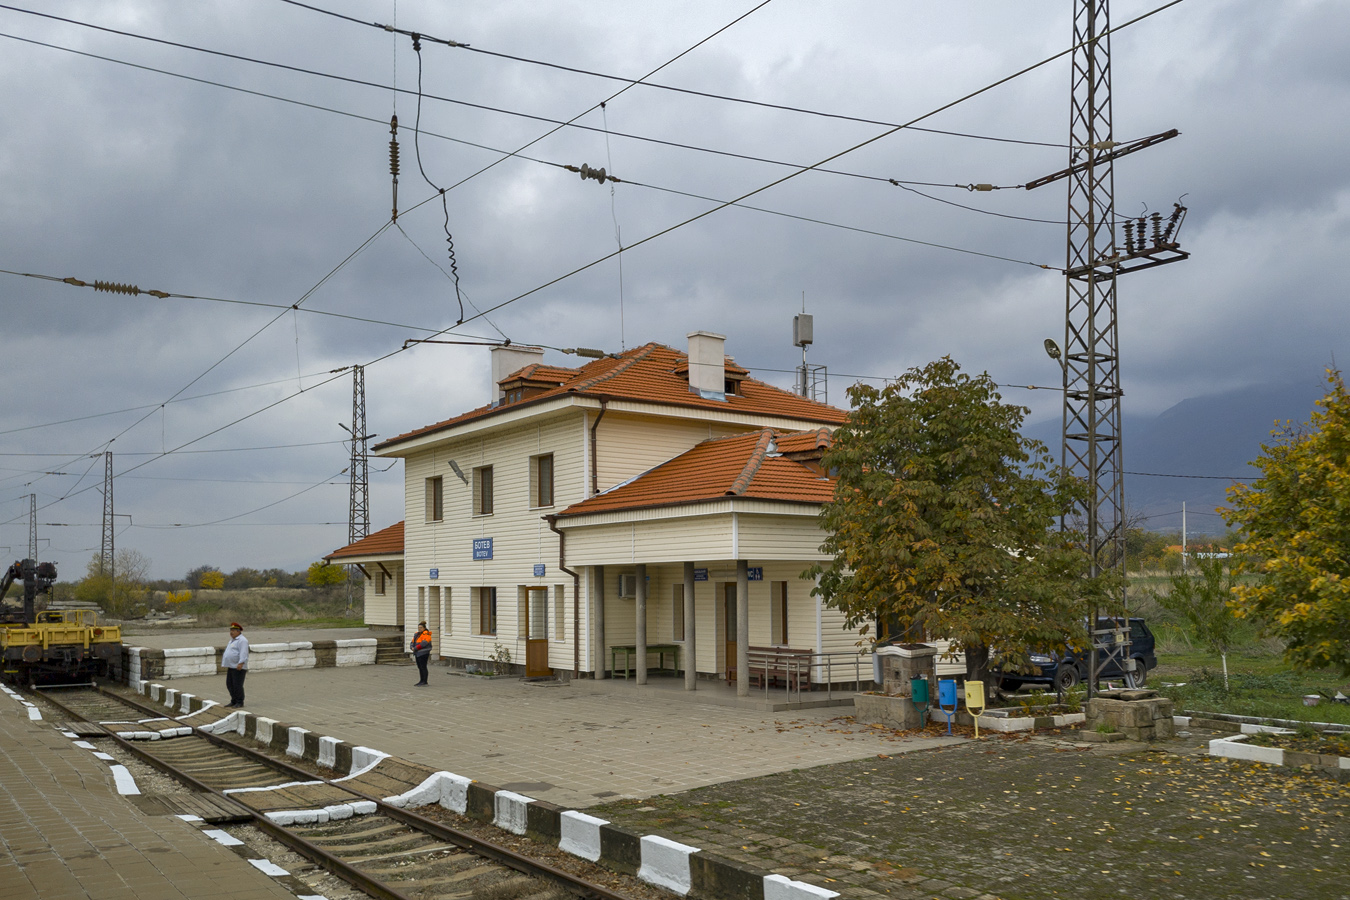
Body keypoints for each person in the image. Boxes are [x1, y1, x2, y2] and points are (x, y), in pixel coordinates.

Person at [222, 622, 250, 708]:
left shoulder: (242, 640)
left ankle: (239, 701)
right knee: (230, 684)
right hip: (231, 666)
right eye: (231, 630)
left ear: (238, 631)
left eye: (233, 630)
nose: (231, 632)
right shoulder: (232, 640)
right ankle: (233, 700)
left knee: (237, 685)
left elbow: (244, 653)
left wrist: (241, 663)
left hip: (238, 666)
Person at [411, 620, 432, 686]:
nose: (419, 629)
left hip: (423, 653)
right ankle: (421, 680)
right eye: (419, 627)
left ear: (424, 628)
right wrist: (411, 647)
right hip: (417, 653)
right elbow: (412, 642)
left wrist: (415, 648)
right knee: (420, 667)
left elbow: (424, 643)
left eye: (421, 627)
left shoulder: (426, 634)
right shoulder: (417, 634)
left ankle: (424, 681)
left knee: (423, 667)